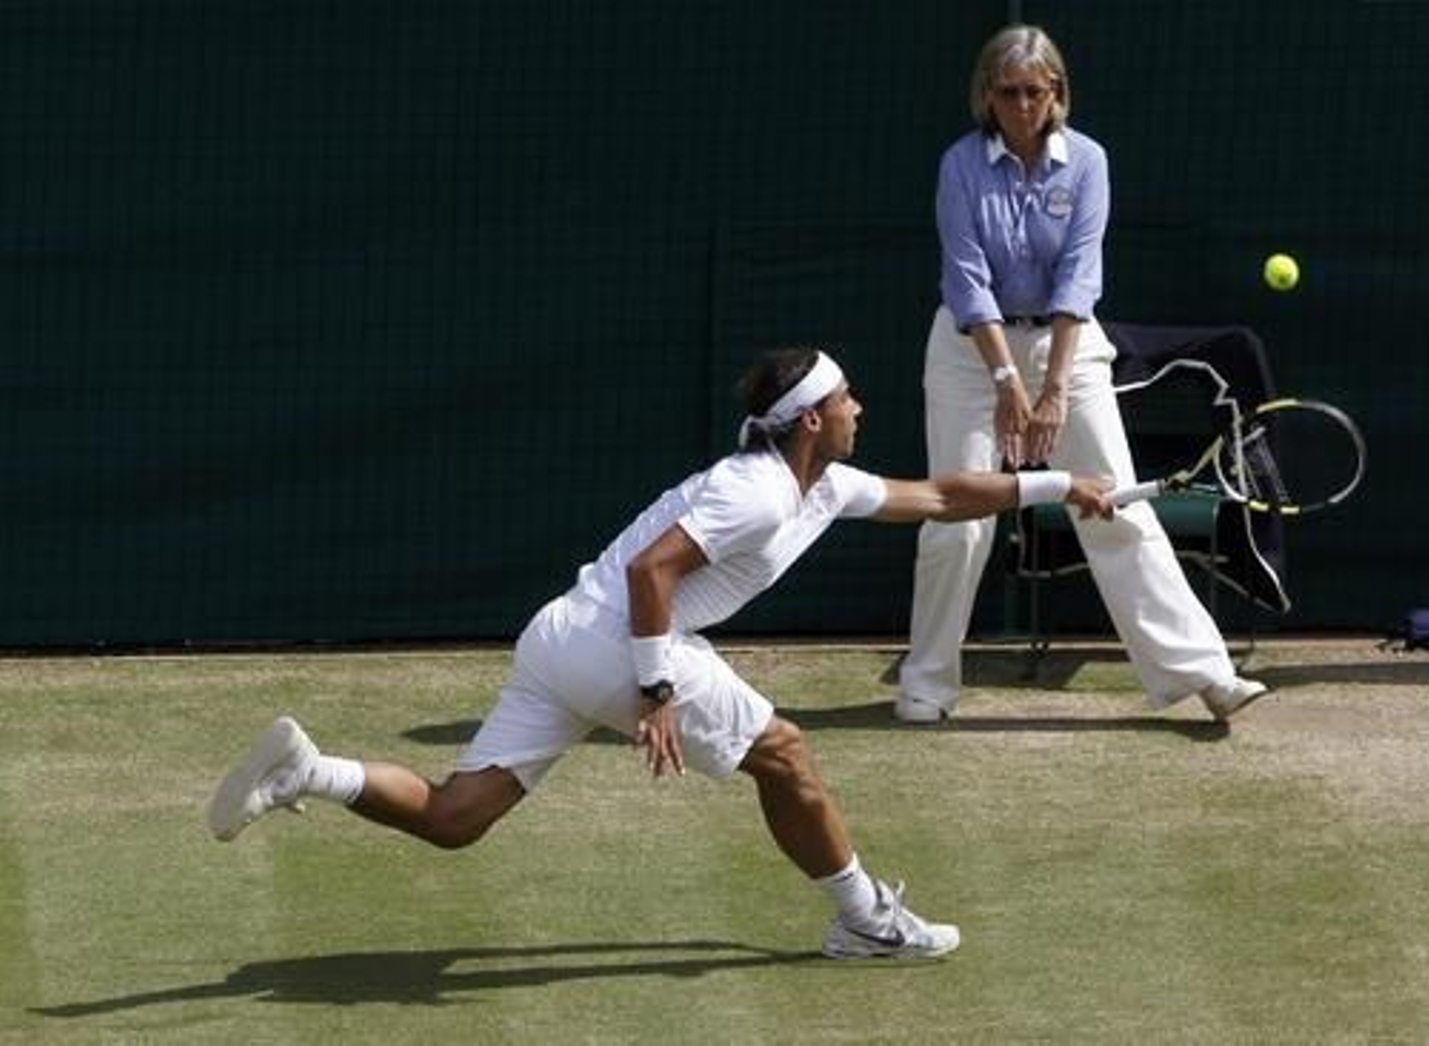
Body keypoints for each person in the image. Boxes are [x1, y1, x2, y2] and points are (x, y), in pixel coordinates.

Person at [208, 347, 1113, 961]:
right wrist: (655, 690)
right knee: (785, 754)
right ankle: (865, 920)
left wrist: (1060, 483)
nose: (858, 408)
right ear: (810, 420)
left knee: (457, 816)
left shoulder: (823, 484)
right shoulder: (756, 493)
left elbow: (942, 496)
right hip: (623, 643)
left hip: (560, 636)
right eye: (846, 400)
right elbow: (653, 571)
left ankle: (309, 771)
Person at [897, 24, 1267, 725]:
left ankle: (1205, 674)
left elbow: (1079, 274)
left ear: (1057, 92)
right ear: (986, 95)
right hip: (970, 354)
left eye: (1035, 92)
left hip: (1067, 346)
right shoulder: (960, 165)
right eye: (1008, 93)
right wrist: (1008, 382)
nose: (1022, 106)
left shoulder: (1088, 161)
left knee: (1114, 503)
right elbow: (967, 279)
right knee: (959, 519)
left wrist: (1054, 387)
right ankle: (926, 684)